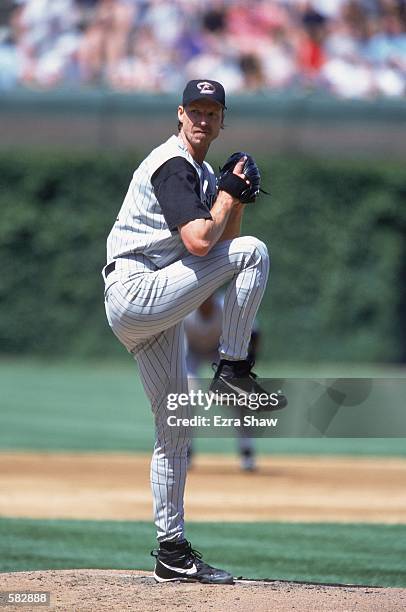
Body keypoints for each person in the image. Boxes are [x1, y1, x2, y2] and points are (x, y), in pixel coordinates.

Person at [102, 79, 282, 585]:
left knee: (174, 428)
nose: (203, 119)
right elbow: (203, 243)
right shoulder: (173, 163)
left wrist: (236, 198)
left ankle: (171, 551)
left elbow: (227, 243)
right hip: (138, 288)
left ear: (223, 120)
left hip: (151, 304)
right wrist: (225, 192)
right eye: (195, 110)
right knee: (257, 254)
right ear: (180, 115)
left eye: (213, 111)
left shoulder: (201, 172)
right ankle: (232, 368)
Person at [184, 292, 260, 471]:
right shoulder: (185, 309)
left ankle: (246, 449)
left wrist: (246, 364)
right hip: (191, 353)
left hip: (221, 351)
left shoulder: (226, 306)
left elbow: (254, 332)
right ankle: (184, 450)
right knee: (187, 394)